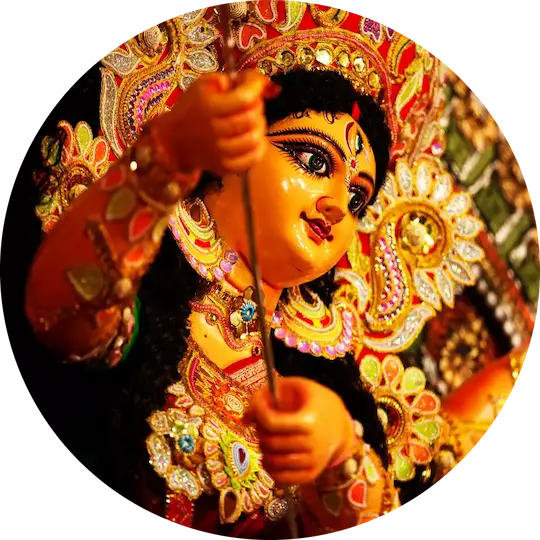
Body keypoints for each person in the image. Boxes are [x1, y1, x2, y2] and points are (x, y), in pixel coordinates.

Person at [25, 3, 531, 538]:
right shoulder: (149, 287)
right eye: (314, 162)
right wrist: (167, 157)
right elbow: (61, 313)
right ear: (229, 144)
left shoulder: (316, 389)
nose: (336, 206)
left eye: (358, 198)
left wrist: (339, 453)